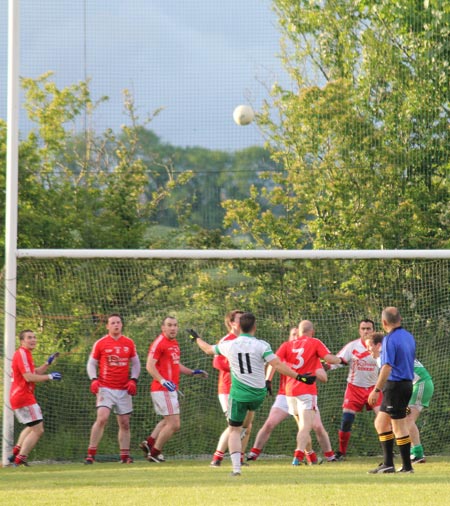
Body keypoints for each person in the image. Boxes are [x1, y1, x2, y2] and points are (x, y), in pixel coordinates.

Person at [188, 312, 318, 477]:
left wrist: (196, 338)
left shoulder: (230, 344)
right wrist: (299, 377)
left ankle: (236, 469)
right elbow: (277, 364)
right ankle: (235, 449)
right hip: (258, 395)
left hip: (239, 394)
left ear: (239, 327)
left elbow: (207, 349)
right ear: (255, 327)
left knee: (234, 430)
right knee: (245, 427)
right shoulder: (262, 345)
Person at [247, 327, 338, 464]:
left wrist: (315, 371)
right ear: (290, 336)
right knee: (271, 424)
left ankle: (324, 456)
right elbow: (273, 364)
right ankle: (254, 453)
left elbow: (323, 377)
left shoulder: (308, 355)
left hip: (301, 393)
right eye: (293, 335)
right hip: (286, 395)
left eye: (298, 334)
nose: (296, 337)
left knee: (315, 427)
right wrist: (268, 381)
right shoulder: (285, 350)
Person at [140, 316, 208, 463]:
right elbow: (149, 366)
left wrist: (193, 372)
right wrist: (163, 381)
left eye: (175, 325)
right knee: (174, 424)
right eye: (169, 325)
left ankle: (149, 443)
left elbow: (176, 364)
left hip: (168, 389)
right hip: (162, 389)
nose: (173, 328)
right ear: (163, 328)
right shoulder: (159, 343)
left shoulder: (174, 343)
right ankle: (154, 453)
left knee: (167, 421)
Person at [277, 320, 344, 467]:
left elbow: (275, 362)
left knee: (305, 426)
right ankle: (297, 456)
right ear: (312, 332)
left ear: (298, 332)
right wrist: (342, 360)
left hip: (289, 391)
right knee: (306, 427)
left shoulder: (286, 345)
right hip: (306, 391)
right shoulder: (314, 343)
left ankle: (313, 457)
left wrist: (267, 380)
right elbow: (329, 358)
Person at [85, 313, 141, 464]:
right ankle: (90, 454)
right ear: (107, 326)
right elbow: (91, 363)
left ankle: (124, 456)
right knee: (102, 417)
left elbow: (136, 363)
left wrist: (133, 380)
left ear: (121, 325)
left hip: (123, 389)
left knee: (124, 422)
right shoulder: (101, 343)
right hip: (105, 387)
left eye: (118, 322)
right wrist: (94, 379)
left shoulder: (129, 343)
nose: (116, 325)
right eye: (113, 323)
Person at [367, 307, 416, 474]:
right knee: (381, 423)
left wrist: (376, 389)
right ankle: (388, 464)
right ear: (400, 319)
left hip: (395, 385)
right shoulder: (409, 337)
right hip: (406, 384)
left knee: (398, 426)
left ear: (384, 322)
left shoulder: (389, 339)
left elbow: (387, 367)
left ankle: (407, 467)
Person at [8, 329, 62, 466]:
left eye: (34, 337)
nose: (33, 340)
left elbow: (34, 372)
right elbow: (29, 377)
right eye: (29, 338)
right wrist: (49, 377)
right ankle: (19, 460)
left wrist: (47, 364)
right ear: (22, 341)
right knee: (38, 430)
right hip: (23, 396)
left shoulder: (25, 354)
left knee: (32, 426)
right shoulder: (22, 354)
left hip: (18, 396)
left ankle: (16, 452)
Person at [330, 319, 381, 460]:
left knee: (384, 419)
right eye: (363, 328)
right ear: (359, 330)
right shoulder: (352, 346)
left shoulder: (380, 347)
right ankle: (341, 453)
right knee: (347, 419)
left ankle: (389, 450)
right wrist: (323, 367)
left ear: (373, 330)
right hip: (354, 388)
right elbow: (338, 361)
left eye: (369, 328)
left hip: (374, 388)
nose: (366, 331)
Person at [210, 310, 254, 467]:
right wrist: (237, 368)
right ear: (232, 323)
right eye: (239, 319)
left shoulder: (246, 340)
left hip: (245, 388)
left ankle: (239, 458)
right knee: (234, 425)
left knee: (247, 426)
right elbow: (216, 363)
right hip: (229, 388)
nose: (243, 321)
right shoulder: (227, 340)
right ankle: (217, 458)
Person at [408, 358, 434, 463]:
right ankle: (415, 453)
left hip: (420, 385)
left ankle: (417, 454)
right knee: (406, 420)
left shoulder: (393, 352)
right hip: (419, 385)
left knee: (407, 420)